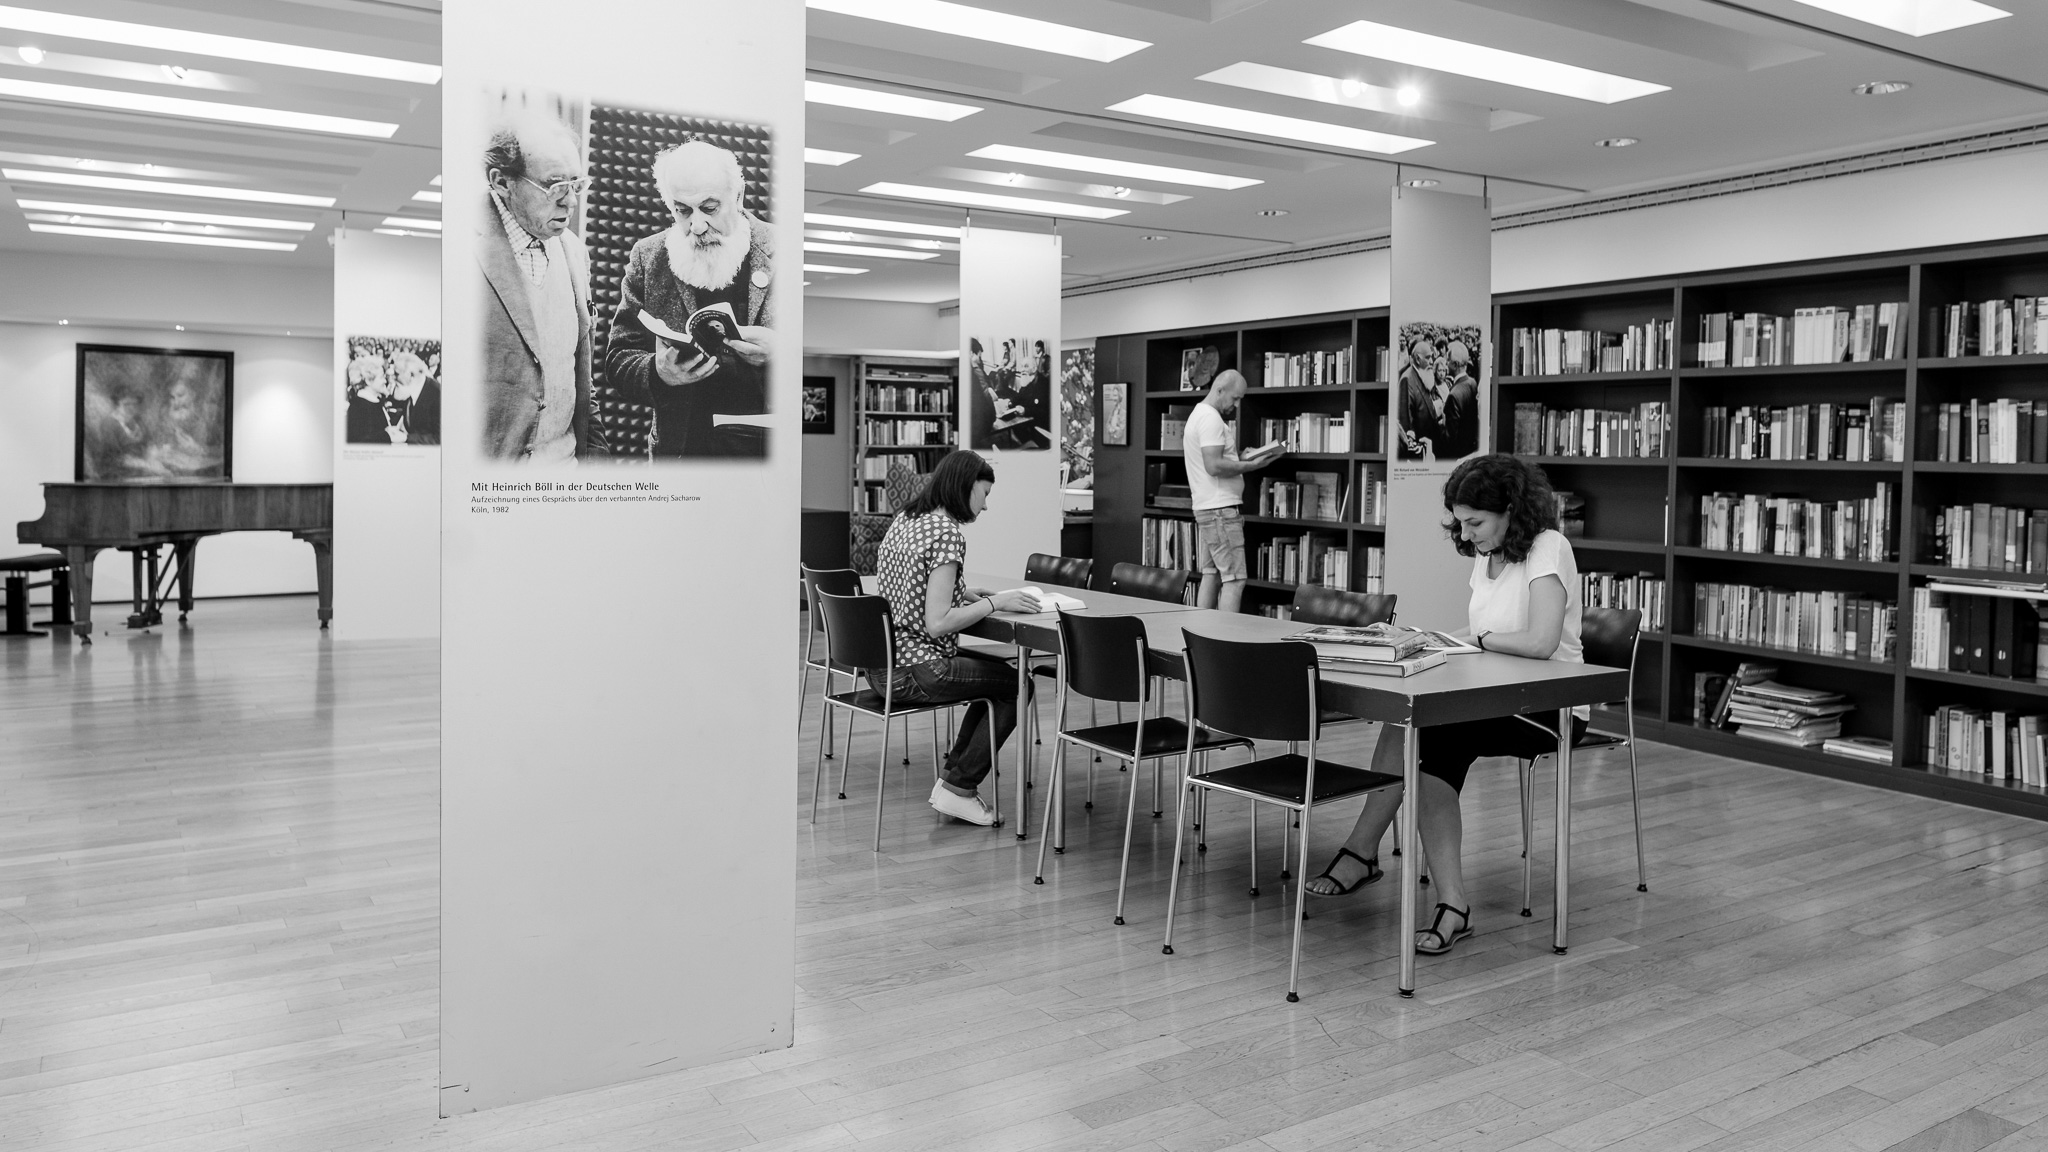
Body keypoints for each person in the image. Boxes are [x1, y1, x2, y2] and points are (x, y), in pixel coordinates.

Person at [1302, 454, 1588, 957]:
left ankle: (1368, 857)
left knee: (1429, 731)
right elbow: (1485, 636)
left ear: (1510, 509)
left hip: (1550, 707)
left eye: (1475, 522)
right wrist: (1419, 639)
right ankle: (1443, 899)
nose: (1467, 532)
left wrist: (1474, 640)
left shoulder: (1548, 547)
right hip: (1492, 694)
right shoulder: (1488, 554)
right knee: (1413, 724)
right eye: (1461, 522)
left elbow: (1541, 642)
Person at [870, 450, 1042, 825]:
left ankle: (953, 783)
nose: (984, 507)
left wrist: (964, 590)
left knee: (1001, 681)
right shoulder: (947, 534)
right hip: (920, 669)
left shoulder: (906, 519)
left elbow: (913, 581)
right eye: (983, 495)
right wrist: (995, 603)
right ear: (964, 489)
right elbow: (938, 623)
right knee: (1017, 685)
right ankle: (957, 788)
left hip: (883, 665)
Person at [604, 139, 772, 458]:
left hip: (763, 460)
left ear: (738, 197)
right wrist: (657, 371)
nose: (696, 226)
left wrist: (783, 356)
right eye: (682, 211)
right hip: (681, 456)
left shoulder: (784, 249)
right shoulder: (649, 257)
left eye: (709, 208)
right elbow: (618, 359)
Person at [479, 113, 597, 463]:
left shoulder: (575, 253)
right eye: (555, 186)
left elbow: (582, 377)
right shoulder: (461, 250)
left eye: (576, 185)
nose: (571, 202)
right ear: (502, 182)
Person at [1185, 368, 1278, 614]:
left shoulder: (1198, 415)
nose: (1236, 405)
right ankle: (1224, 644)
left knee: (1211, 574)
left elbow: (1216, 460)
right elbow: (1214, 465)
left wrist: (1238, 457)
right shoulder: (1211, 419)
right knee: (1235, 580)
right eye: (1234, 398)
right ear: (1219, 390)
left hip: (1208, 509)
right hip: (1220, 511)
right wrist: (1249, 464)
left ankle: (1199, 637)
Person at [1397, 334, 1442, 460]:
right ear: (1417, 359)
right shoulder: (1407, 379)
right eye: (1428, 358)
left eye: (1432, 357)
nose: (1432, 362)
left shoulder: (1423, 375)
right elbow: (1407, 426)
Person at [1439, 340, 1479, 459]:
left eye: (1448, 361)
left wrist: (1441, 426)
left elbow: (1450, 440)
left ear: (1455, 365)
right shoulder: (1472, 382)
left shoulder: (1453, 396)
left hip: (1459, 456)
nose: (1445, 364)